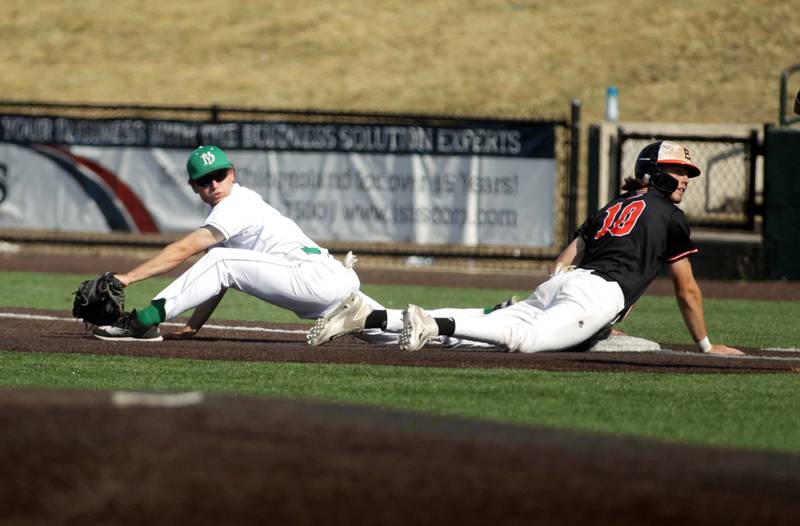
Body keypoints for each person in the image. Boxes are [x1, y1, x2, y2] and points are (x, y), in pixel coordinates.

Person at [315, 141, 742, 356]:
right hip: (597, 293)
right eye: (677, 170)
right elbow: (686, 289)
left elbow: (566, 258)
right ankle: (432, 325)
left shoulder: (614, 204)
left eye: (688, 172)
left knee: (500, 325)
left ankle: (370, 315)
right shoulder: (669, 216)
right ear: (653, 172)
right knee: (526, 339)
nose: (685, 179)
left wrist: (558, 296)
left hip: (567, 285)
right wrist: (706, 345)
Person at [92, 145, 388, 341]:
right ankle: (436, 326)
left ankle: (143, 322)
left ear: (232, 174)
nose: (214, 184)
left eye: (219, 175)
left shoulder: (236, 204)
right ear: (194, 187)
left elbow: (187, 252)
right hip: (326, 281)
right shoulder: (228, 212)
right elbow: (214, 279)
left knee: (221, 262)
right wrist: (191, 328)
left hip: (312, 276)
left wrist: (127, 278)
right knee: (395, 331)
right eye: (205, 180)